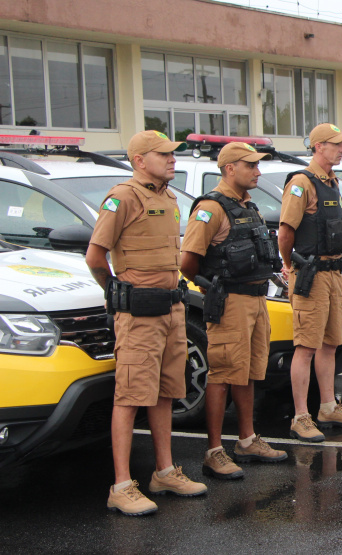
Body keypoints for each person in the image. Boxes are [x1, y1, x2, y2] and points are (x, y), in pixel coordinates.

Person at [85, 130, 207, 516]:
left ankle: (165, 471)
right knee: (130, 393)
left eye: (173, 154)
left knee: (166, 390)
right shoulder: (123, 196)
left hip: (171, 308)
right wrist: (117, 293)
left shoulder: (169, 197)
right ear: (139, 160)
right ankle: (121, 486)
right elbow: (95, 256)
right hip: (138, 312)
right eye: (164, 154)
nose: (173, 160)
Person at [180, 142, 287, 480]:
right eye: (250, 165)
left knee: (249, 372)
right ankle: (214, 452)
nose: (257, 171)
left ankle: (247, 439)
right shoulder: (211, 208)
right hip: (230, 302)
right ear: (229, 169)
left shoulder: (247, 205)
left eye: (257, 165)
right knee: (223, 375)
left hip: (256, 299)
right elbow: (188, 262)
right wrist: (211, 287)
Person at [279, 123, 342, 442]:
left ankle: (327, 406)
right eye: (337, 144)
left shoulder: (332, 181)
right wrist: (290, 266)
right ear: (318, 147)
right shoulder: (302, 183)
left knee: (330, 343)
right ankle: (301, 416)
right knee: (306, 347)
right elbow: (286, 231)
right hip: (310, 275)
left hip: (332, 273)